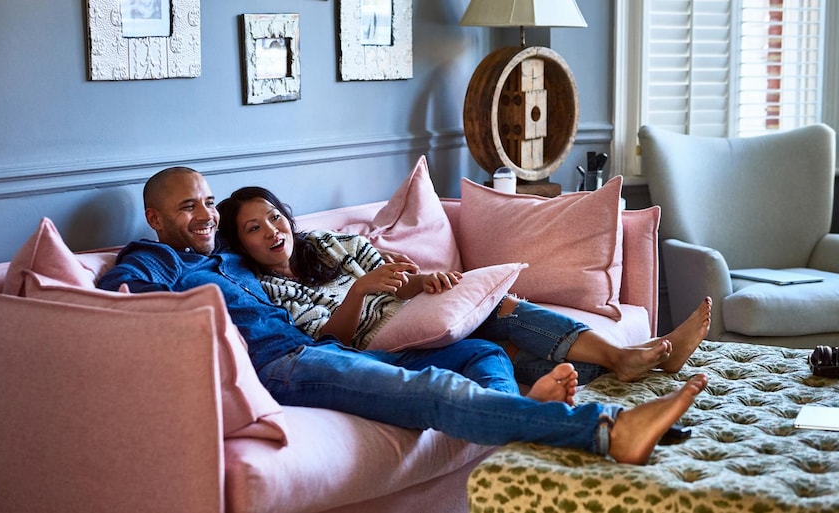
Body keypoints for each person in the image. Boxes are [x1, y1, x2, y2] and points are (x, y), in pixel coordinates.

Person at [97, 166, 709, 465]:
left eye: (207, 202)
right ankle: (604, 429)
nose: (203, 214)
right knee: (434, 389)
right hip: (281, 367)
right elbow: (121, 301)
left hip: (327, 354)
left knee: (477, 352)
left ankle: (532, 415)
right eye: (187, 208)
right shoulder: (156, 256)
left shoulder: (228, 257)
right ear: (156, 219)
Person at [216, 186, 712, 388]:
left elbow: (397, 280)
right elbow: (330, 340)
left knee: (505, 329)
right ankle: (633, 357)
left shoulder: (324, 244)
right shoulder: (261, 289)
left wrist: (419, 282)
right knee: (498, 320)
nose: (272, 231)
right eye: (253, 228)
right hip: (371, 340)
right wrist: (361, 292)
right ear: (239, 242)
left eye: (274, 217)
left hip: (406, 312)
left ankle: (632, 359)